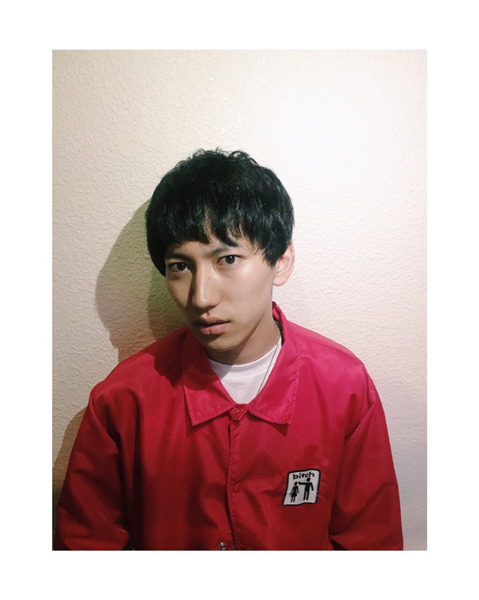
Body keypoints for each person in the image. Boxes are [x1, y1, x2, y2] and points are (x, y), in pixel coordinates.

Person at [54, 149, 403, 550]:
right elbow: (84, 547)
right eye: (180, 266)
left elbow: (372, 545)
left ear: (281, 261)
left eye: (228, 258)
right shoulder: (123, 399)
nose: (201, 297)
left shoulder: (343, 386)